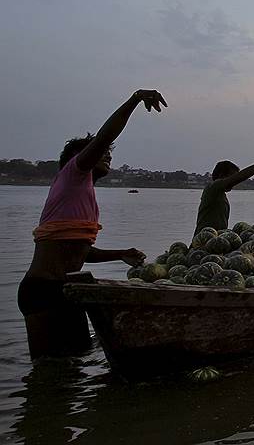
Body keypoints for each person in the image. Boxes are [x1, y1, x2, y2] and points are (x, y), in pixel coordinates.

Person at [18, 89, 167, 359]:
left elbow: (76, 251)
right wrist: (134, 99)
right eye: (102, 152)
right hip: (42, 290)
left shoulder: (82, 195)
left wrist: (120, 254)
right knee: (47, 374)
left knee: (75, 363)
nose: (107, 155)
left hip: (67, 289)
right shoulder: (73, 174)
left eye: (109, 153)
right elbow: (104, 136)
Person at [194, 150, 254, 234]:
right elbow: (241, 176)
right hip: (204, 243)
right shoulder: (212, 188)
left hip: (216, 241)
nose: (234, 183)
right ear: (222, 175)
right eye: (232, 178)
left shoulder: (220, 194)